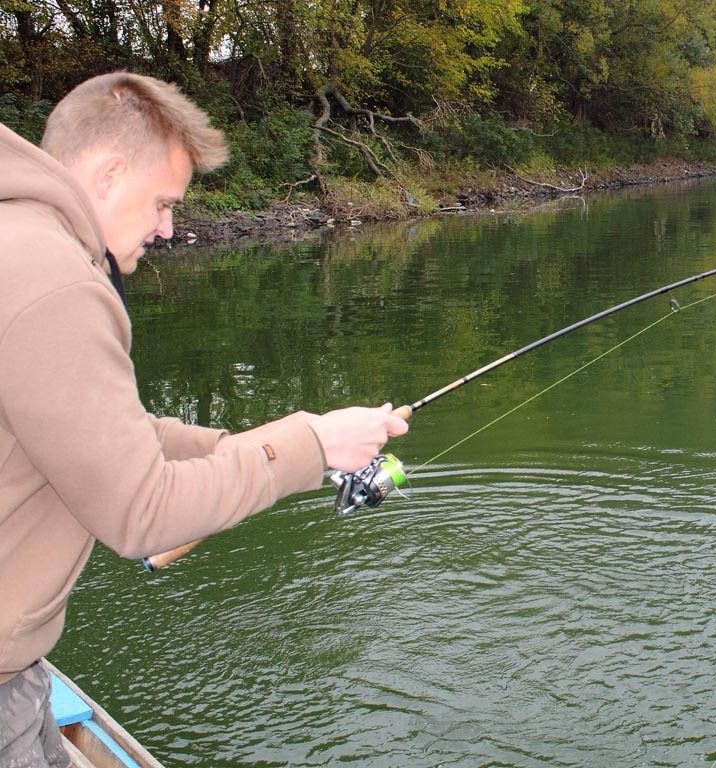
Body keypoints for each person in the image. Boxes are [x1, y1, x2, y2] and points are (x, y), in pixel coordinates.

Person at [0, 72, 409, 766]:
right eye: (163, 203)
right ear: (107, 172)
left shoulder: (18, 242)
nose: (168, 228)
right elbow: (142, 515)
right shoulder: (58, 280)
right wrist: (308, 445)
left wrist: (267, 444)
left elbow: (113, 433)